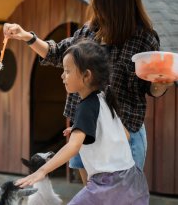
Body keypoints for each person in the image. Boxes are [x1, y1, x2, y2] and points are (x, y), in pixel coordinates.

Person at [3, 0, 172, 185]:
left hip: (123, 135)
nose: (92, 0)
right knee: (94, 197)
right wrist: (27, 37)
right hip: (86, 133)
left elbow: (150, 89)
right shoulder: (87, 32)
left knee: (121, 199)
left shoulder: (144, 37)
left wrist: (162, 82)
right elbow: (56, 53)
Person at [16, 40, 150, 204]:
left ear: (86, 75)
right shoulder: (106, 98)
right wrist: (79, 128)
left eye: (67, 71)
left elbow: (73, 146)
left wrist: (42, 171)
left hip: (107, 185)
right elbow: (125, 135)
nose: (62, 75)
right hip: (132, 181)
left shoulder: (86, 106)